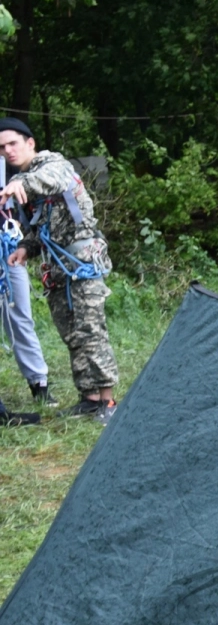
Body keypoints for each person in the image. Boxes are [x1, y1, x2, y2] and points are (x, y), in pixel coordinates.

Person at [0, 119, 116, 419]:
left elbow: (53, 178)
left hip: (83, 264)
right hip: (58, 271)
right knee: (72, 334)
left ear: (30, 143)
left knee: (91, 332)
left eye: (13, 143)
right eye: (1, 148)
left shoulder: (52, 164)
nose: (8, 151)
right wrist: (25, 248)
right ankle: (89, 398)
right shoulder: (25, 182)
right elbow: (39, 227)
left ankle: (107, 402)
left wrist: (19, 184)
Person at [0, 157, 52, 409]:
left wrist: (20, 221)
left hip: (7, 247)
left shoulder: (7, 161)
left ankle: (39, 384)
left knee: (20, 316)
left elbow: (27, 200)